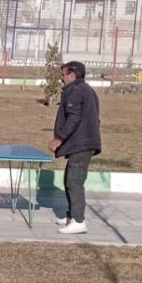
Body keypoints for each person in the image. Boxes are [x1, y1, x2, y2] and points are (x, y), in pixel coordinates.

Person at [50, 60, 102, 234]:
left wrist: (59, 139)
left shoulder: (75, 90)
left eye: (63, 75)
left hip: (82, 143)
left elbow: (74, 117)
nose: (62, 78)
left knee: (74, 181)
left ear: (71, 75)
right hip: (83, 142)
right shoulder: (87, 90)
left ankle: (78, 221)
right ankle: (72, 215)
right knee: (70, 179)